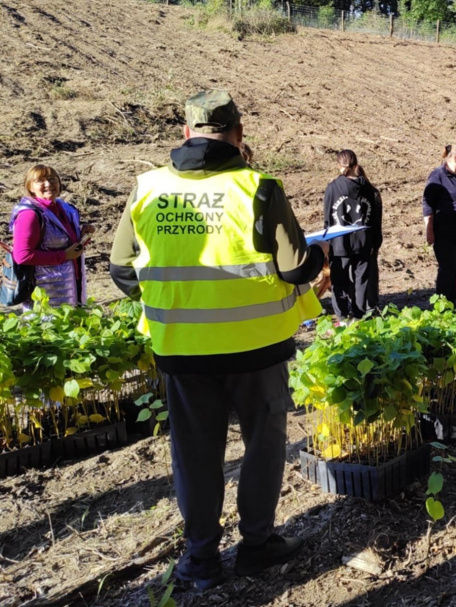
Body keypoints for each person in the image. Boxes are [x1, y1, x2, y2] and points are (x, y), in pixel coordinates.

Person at [109, 90, 325, 589]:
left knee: (195, 453)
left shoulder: (147, 188)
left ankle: (201, 558)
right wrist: (317, 259)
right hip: (257, 348)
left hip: (182, 350)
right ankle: (256, 546)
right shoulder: (260, 187)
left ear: (186, 133)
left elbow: (122, 272)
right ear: (238, 134)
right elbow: (295, 269)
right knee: (263, 447)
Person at [10, 165, 93, 309]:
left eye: (52, 179)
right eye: (40, 180)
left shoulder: (66, 210)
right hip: (45, 293)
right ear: (30, 187)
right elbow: (22, 256)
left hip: (71, 288)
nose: (48, 184)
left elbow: (69, 248)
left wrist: (83, 236)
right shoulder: (29, 215)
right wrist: (64, 255)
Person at [323, 149, 383, 321]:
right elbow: (374, 219)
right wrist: (374, 242)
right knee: (361, 282)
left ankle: (342, 318)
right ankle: (360, 316)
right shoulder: (369, 189)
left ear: (339, 165)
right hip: (364, 243)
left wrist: (327, 242)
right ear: (356, 165)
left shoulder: (333, 188)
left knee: (339, 282)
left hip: (339, 243)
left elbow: (328, 218)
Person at [423, 143, 456, 303]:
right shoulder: (437, 176)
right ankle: (443, 305)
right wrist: (429, 230)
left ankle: (454, 301)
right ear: (455, 157)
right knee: (447, 268)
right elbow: (428, 205)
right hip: (443, 230)